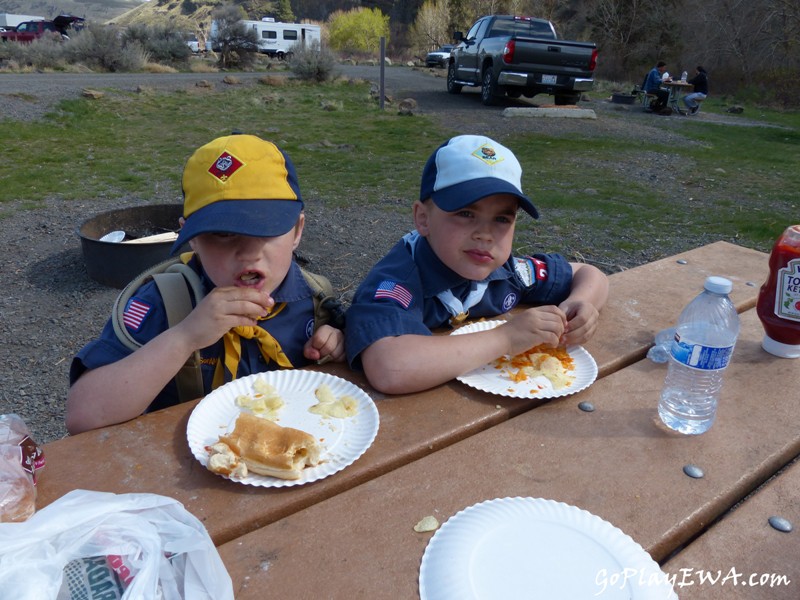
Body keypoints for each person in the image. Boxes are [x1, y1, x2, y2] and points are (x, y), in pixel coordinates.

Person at [66, 134, 345, 434]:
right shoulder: (164, 303)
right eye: (223, 234)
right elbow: (83, 414)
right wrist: (185, 337)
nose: (249, 252)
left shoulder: (315, 300)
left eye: (267, 227)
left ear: (297, 231)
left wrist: (336, 344)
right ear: (193, 239)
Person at [344, 135, 609, 394]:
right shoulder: (398, 281)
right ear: (423, 219)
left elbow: (590, 273)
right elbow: (390, 368)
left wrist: (581, 303)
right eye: (466, 214)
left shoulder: (507, 271)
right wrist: (505, 338)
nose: (485, 234)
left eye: (502, 219)